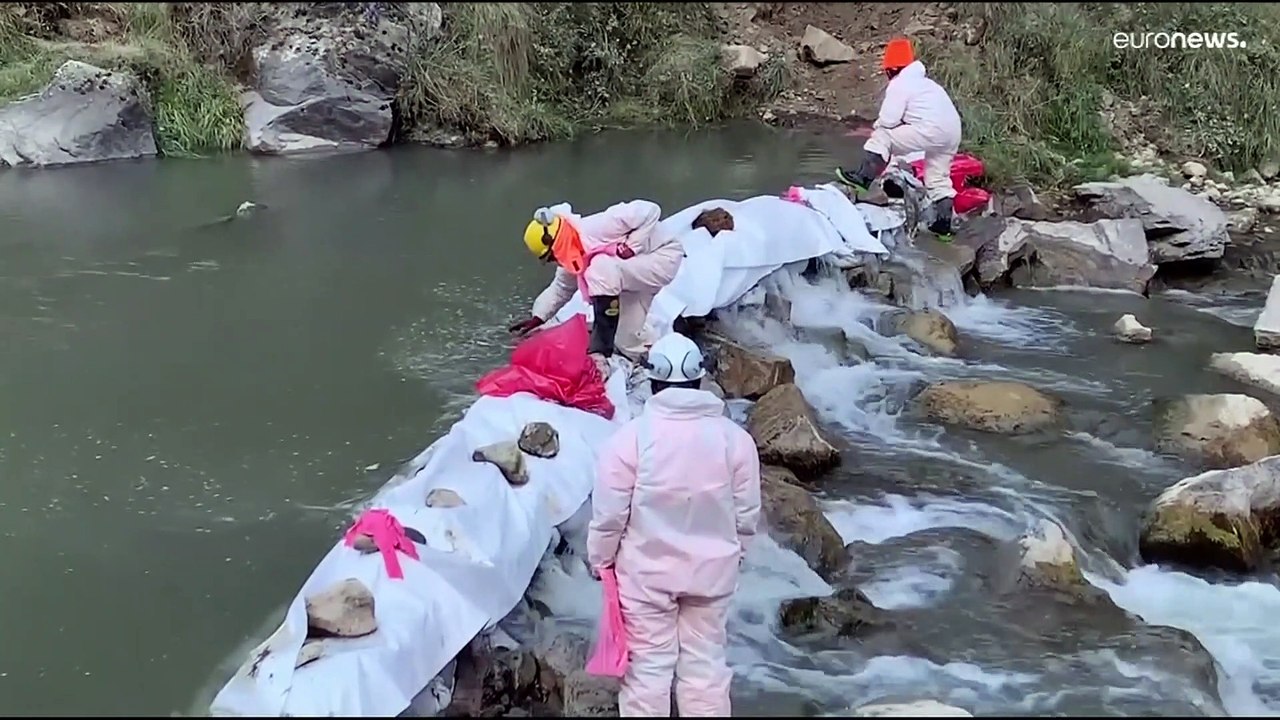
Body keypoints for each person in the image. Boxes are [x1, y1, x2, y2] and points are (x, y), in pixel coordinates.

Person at [587, 331, 762, 717]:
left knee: (648, 670)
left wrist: (600, 560)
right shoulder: (736, 440)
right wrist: (735, 557)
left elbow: (610, 516)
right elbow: (746, 515)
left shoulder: (630, 440)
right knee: (706, 667)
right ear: (700, 379)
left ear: (653, 381)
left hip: (645, 576)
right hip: (713, 575)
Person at [509, 200, 684, 361]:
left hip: (663, 257)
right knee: (626, 343)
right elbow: (561, 289)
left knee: (599, 268)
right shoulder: (572, 256)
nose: (554, 261)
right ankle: (656, 358)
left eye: (551, 257)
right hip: (634, 275)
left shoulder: (597, 226)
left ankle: (601, 347)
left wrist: (632, 246)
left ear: (555, 243)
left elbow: (650, 210)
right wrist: (538, 317)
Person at [836, 36, 963, 237]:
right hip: (953, 132)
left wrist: (876, 127)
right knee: (938, 176)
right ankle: (944, 226)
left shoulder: (900, 83)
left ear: (891, 69)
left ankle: (862, 178)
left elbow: (889, 119)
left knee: (882, 137)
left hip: (931, 129)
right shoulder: (928, 84)